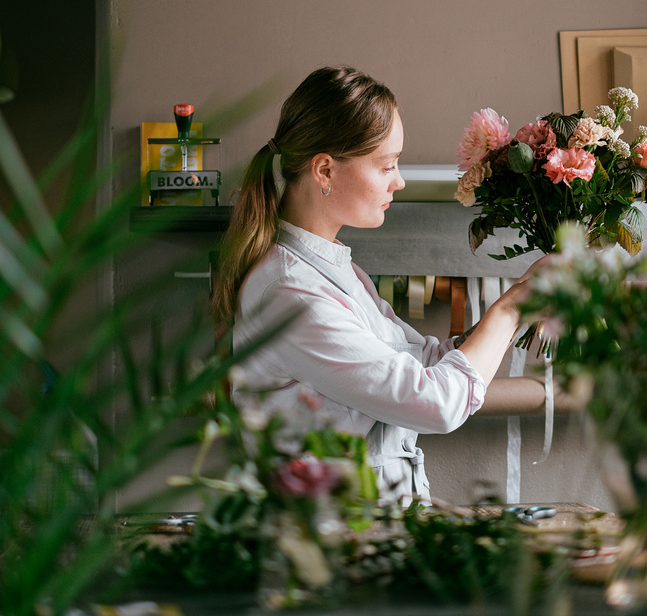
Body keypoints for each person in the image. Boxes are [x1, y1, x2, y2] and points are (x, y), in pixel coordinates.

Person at [212, 65, 539, 502]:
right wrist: (511, 307)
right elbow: (435, 401)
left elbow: (424, 361)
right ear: (324, 171)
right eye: (387, 165)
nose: (399, 181)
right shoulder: (290, 294)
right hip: (335, 548)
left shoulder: (338, 274)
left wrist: (525, 303)